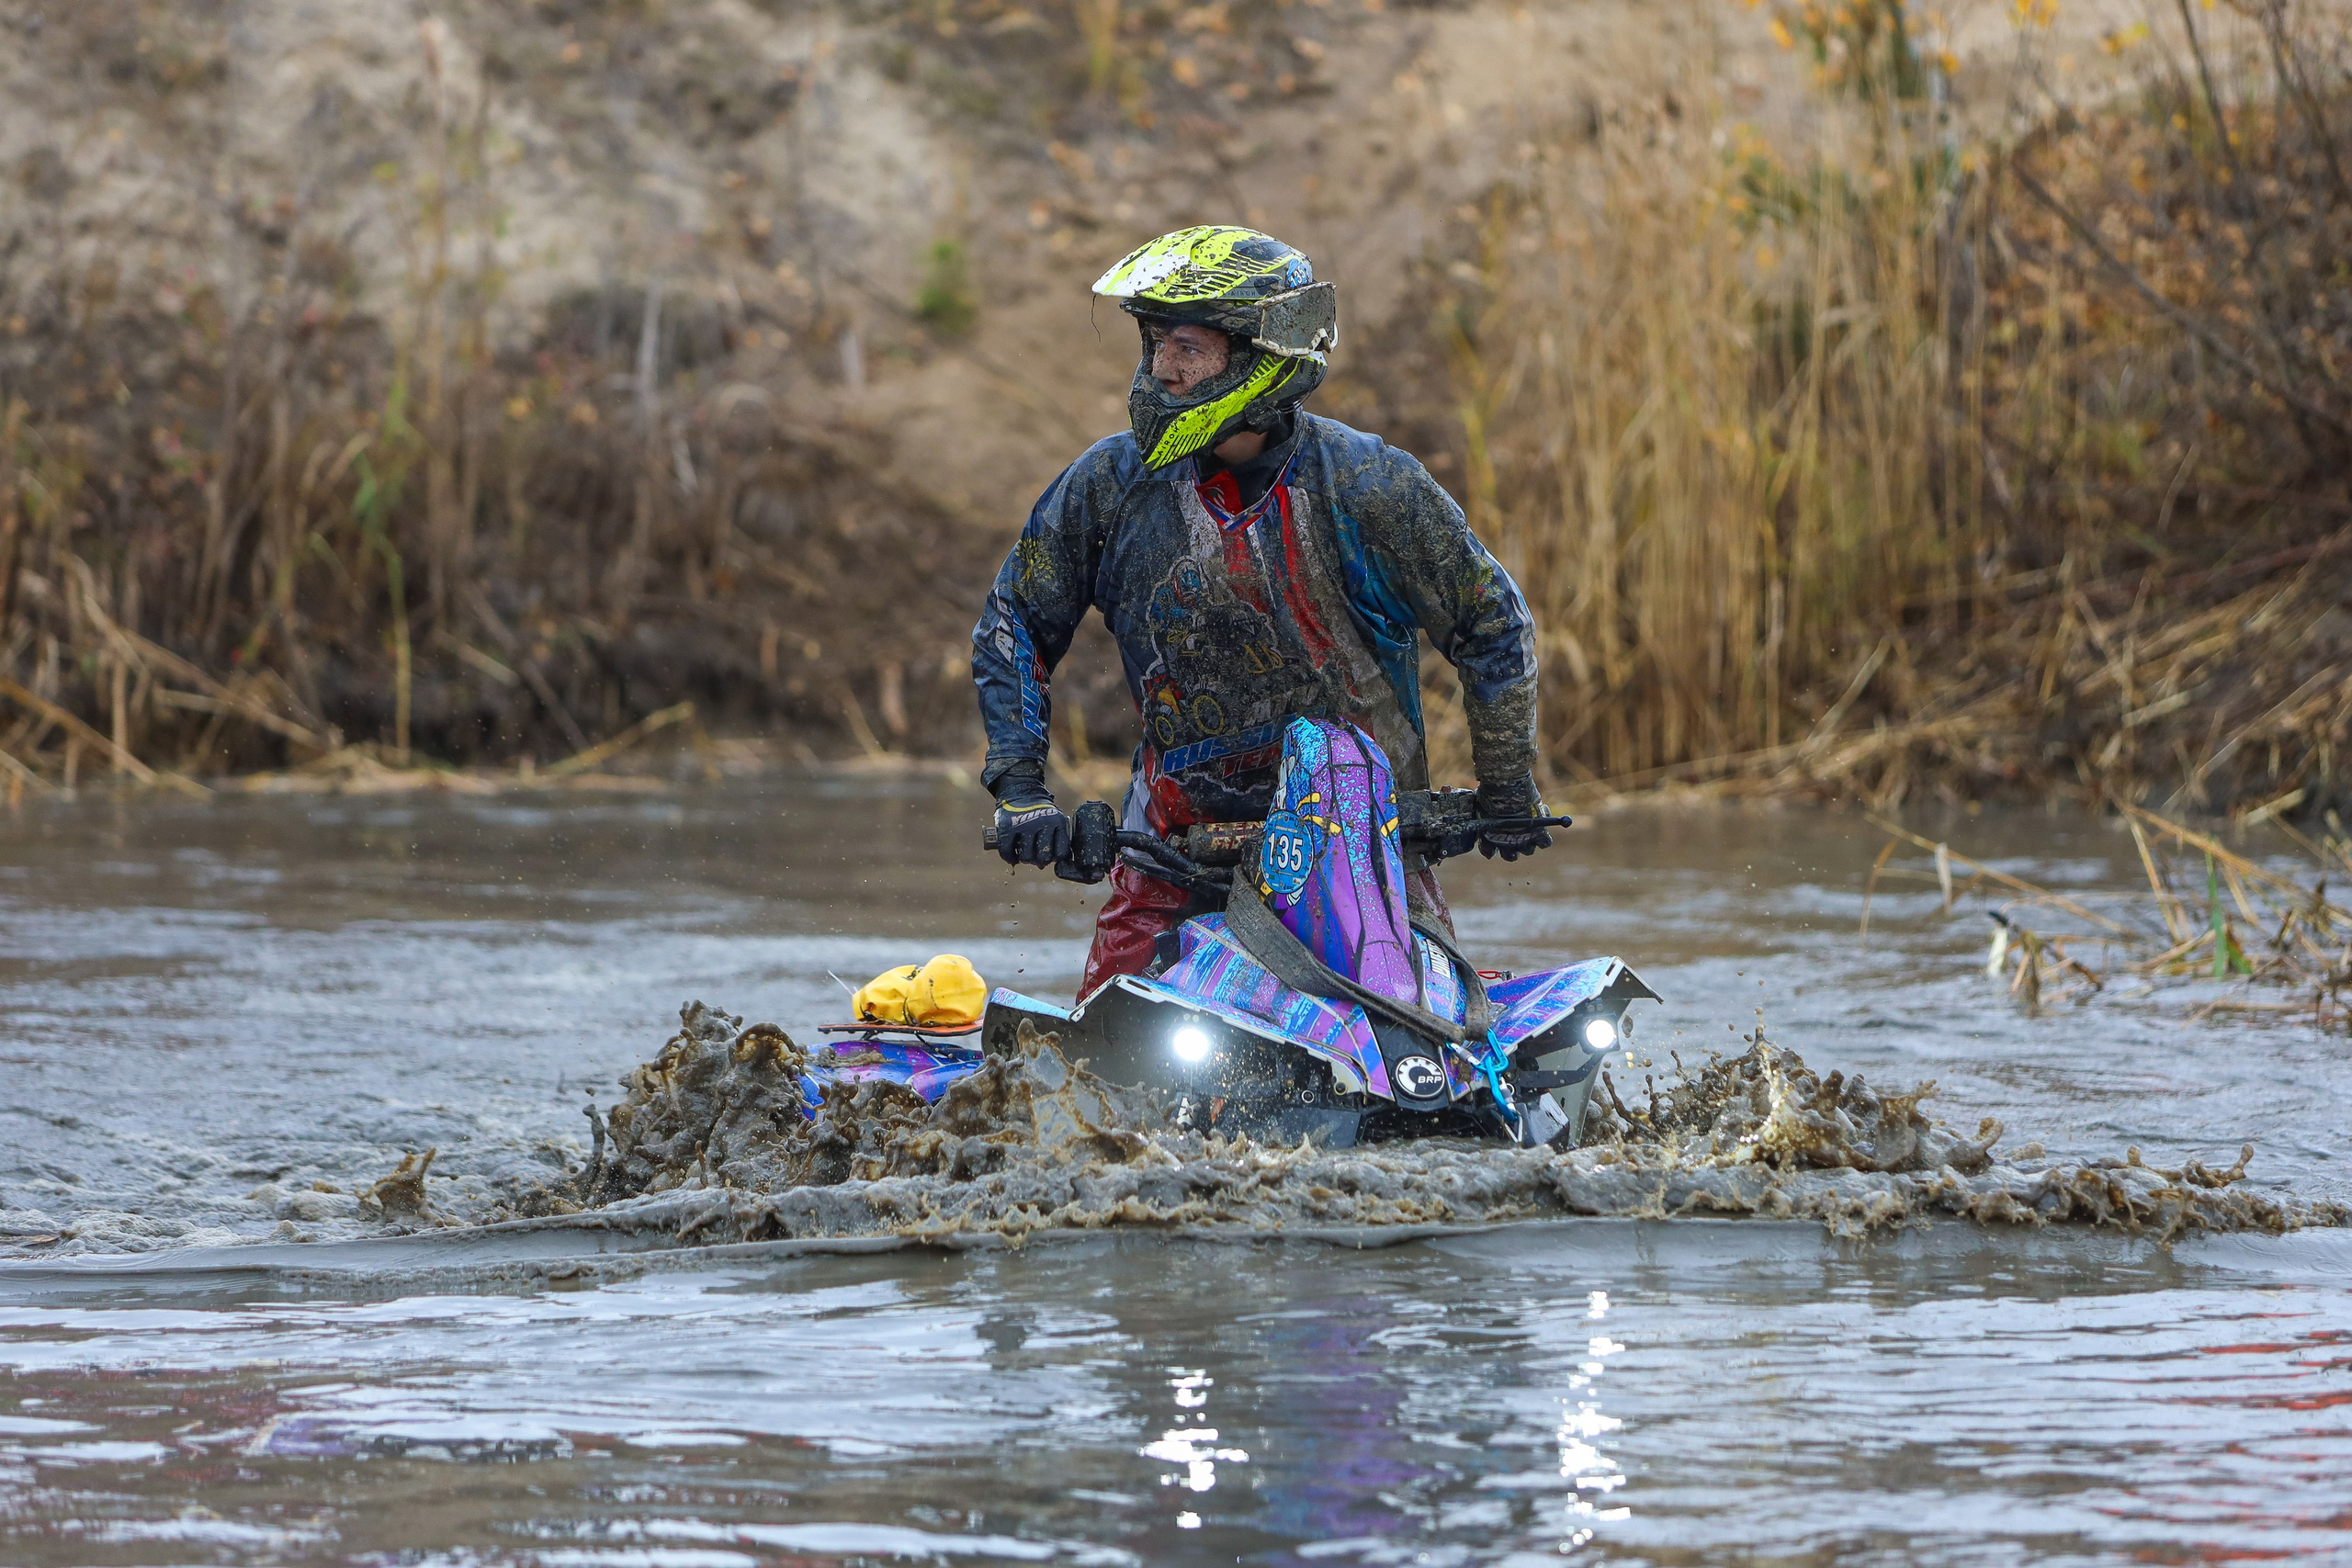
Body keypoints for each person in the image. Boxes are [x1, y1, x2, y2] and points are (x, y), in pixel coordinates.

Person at [971, 225, 1550, 997]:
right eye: (1152, 346)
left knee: (1428, 1066)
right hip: (1172, 857)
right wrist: (1021, 793)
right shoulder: (1109, 484)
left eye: (1187, 348)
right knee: (1096, 1074)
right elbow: (1015, 618)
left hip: (1363, 862)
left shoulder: (1371, 486)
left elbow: (1492, 622)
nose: (1161, 372)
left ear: (1261, 355)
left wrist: (1507, 785)